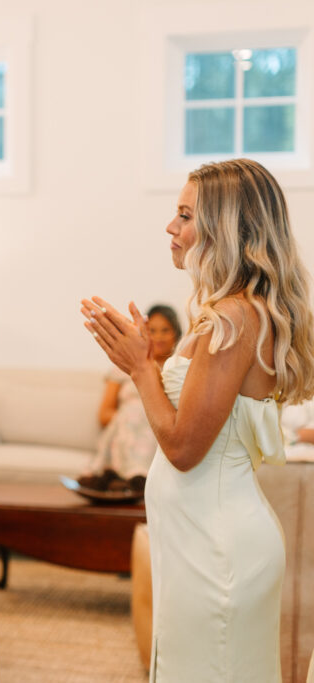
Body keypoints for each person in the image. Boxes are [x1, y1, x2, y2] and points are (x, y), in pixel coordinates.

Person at [83, 158, 314, 682]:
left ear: (226, 228)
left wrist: (140, 367)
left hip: (217, 551)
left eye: (185, 215)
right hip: (201, 541)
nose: (171, 226)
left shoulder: (233, 318)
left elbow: (184, 450)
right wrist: (151, 359)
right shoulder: (229, 312)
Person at [80, 304, 182, 492]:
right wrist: (131, 416)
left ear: (176, 333)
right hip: (124, 427)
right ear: (142, 333)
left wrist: (149, 415)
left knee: (145, 412)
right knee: (134, 410)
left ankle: (118, 474)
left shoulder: (178, 370)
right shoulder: (122, 368)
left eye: (165, 330)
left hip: (159, 429)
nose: (158, 337)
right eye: (152, 330)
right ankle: (133, 475)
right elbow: (104, 415)